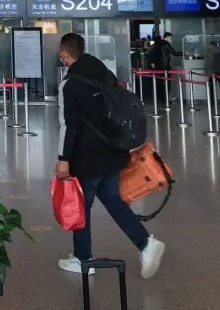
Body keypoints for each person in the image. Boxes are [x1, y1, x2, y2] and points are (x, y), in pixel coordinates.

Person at [55, 33, 165, 279]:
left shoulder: (70, 84)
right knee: (112, 199)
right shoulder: (104, 73)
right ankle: (146, 243)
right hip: (114, 149)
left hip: (87, 156)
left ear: (64, 54)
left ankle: (83, 259)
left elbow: (68, 125)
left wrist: (63, 158)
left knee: (82, 206)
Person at [147, 32, 181, 104]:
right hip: (165, 67)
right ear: (167, 37)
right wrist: (184, 53)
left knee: (160, 83)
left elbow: (149, 53)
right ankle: (166, 99)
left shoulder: (158, 43)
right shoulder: (166, 44)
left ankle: (161, 98)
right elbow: (174, 53)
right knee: (167, 83)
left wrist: (152, 63)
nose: (171, 40)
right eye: (171, 38)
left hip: (158, 67)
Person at [204, 40, 220, 111]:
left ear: (210, 45)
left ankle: (211, 103)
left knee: (211, 89)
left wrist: (206, 74)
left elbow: (207, 64)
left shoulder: (209, 52)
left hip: (212, 73)